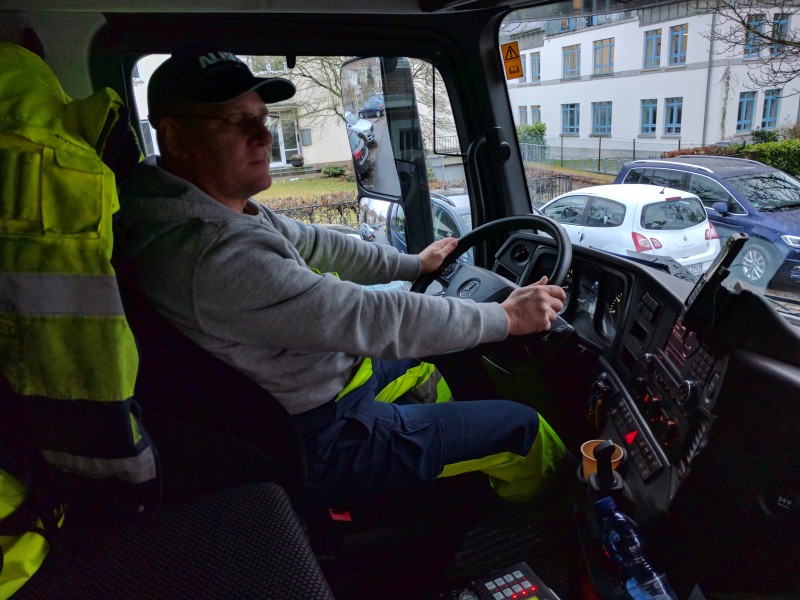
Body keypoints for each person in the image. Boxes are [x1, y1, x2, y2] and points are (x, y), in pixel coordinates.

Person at [118, 46, 569, 504]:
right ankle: (556, 517)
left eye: (262, 118)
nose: (264, 136)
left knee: (424, 370)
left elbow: (317, 243)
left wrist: (414, 264)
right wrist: (506, 318)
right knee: (522, 429)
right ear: (176, 139)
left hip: (318, 390)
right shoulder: (211, 249)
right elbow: (365, 316)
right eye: (237, 122)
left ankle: (445, 488)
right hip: (322, 438)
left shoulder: (196, 206)